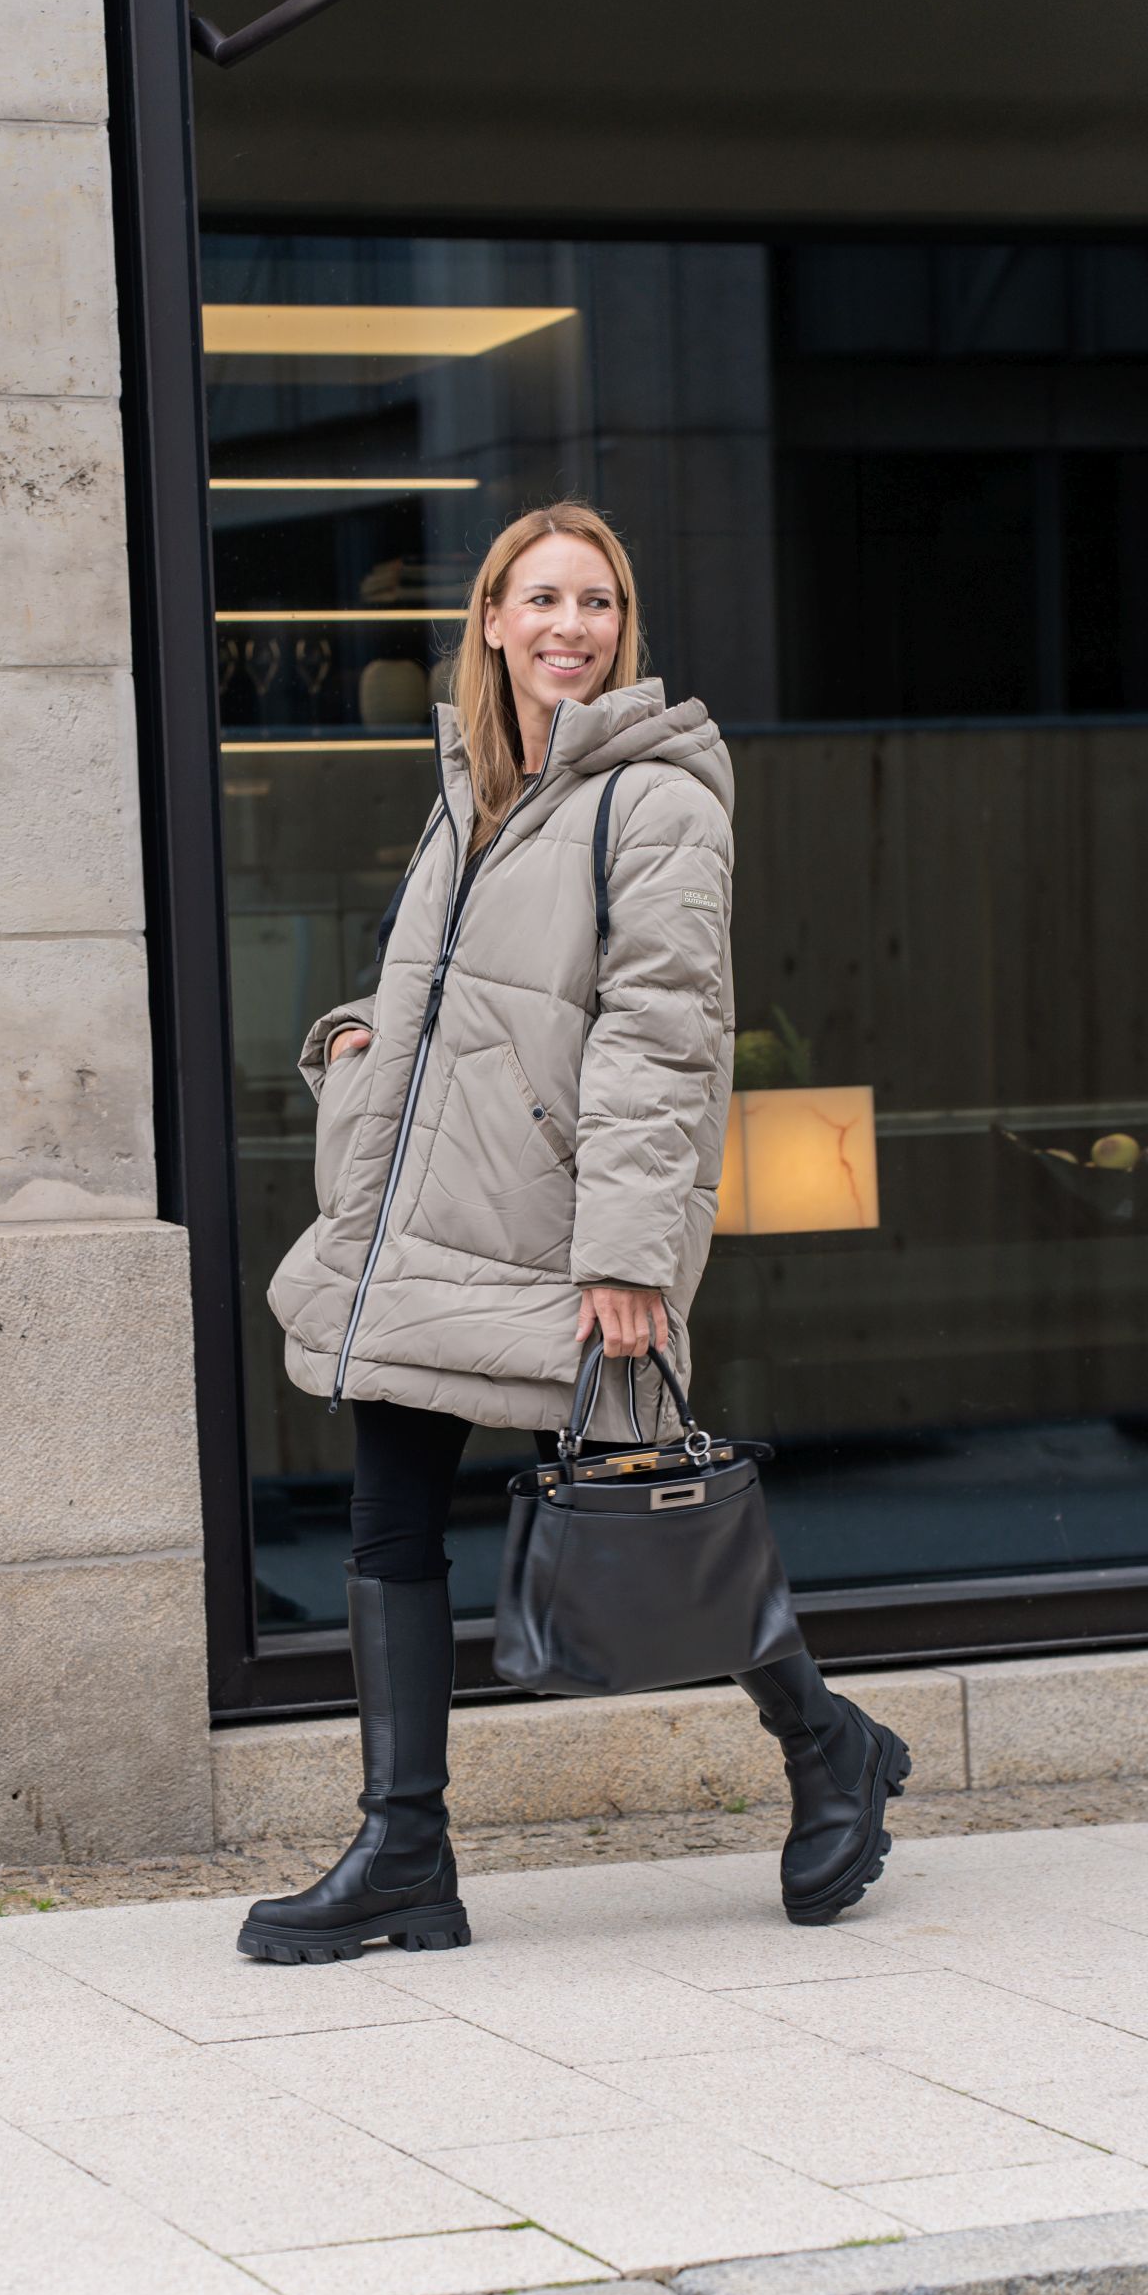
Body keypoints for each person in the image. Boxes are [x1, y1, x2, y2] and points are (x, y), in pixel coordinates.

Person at [242, 502, 909, 1964]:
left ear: (626, 628)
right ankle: (404, 1851)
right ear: (490, 621)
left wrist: (627, 1253)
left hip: (564, 1238)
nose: (569, 627)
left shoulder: (653, 794)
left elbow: (663, 1038)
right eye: (539, 599)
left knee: (661, 1512)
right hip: (429, 1224)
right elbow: (457, 988)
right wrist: (360, 1044)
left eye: (596, 603)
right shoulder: (476, 784)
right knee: (388, 1515)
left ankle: (828, 1744)